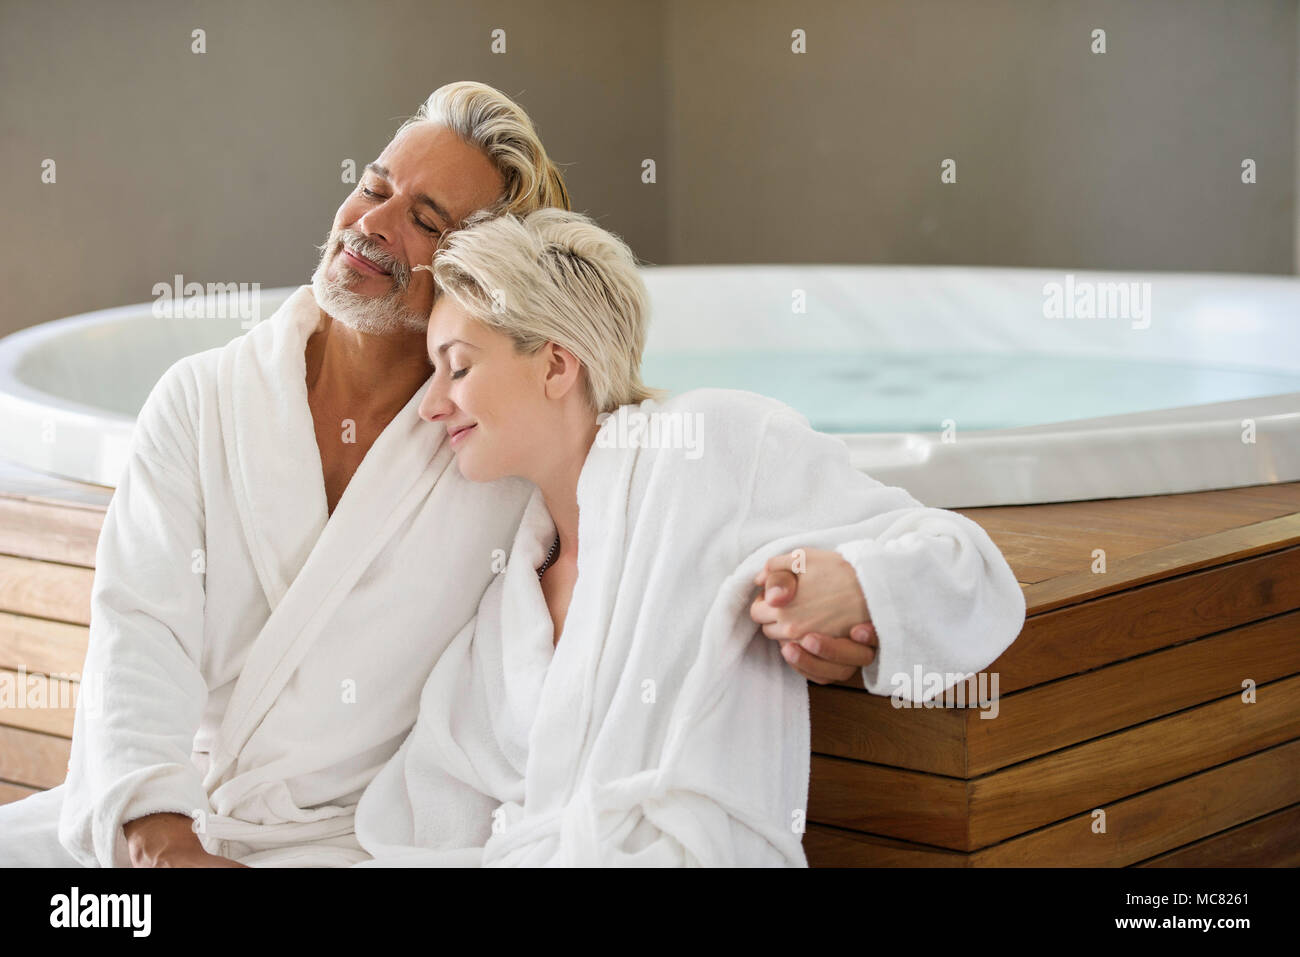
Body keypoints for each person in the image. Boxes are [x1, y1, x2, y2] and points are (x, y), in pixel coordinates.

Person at [0, 81, 574, 867]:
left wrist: (805, 584)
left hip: (349, 841)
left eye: (424, 221)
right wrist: (158, 840)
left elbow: (685, 484)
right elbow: (141, 634)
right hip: (162, 814)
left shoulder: (495, 458)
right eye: (373, 188)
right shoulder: (201, 400)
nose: (371, 225)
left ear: (478, 275)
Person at [351, 208, 1027, 866]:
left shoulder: (707, 447)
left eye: (458, 366)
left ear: (557, 365)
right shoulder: (510, 598)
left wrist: (861, 585)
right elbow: (433, 808)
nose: (432, 403)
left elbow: (963, 562)